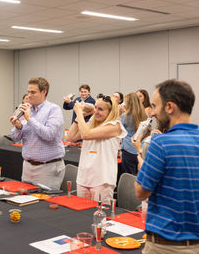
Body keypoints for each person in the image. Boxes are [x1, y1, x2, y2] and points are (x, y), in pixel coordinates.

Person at [134, 79, 199, 253]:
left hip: (165, 246)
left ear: (169, 107)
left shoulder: (161, 143)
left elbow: (141, 192)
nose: (153, 113)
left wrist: (142, 159)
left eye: (155, 106)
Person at [66, 95, 127, 203]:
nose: (96, 112)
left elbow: (86, 135)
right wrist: (78, 118)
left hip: (102, 180)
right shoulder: (92, 123)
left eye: (101, 109)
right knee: (82, 214)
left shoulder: (115, 125)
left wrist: (79, 113)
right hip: (84, 177)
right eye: (96, 108)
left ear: (110, 112)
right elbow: (71, 137)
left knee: (99, 214)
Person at [10, 77, 65, 190]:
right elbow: (15, 138)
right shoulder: (26, 110)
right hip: (27, 166)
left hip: (48, 167)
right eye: (28, 91)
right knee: (26, 202)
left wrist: (30, 119)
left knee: (44, 204)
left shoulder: (53, 110)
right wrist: (18, 127)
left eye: (33, 92)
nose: (29, 95)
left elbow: (49, 135)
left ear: (44, 92)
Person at [119, 93, 147, 177]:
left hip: (128, 149)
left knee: (128, 176)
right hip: (140, 149)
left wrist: (119, 113)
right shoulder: (145, 115)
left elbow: (119, 130)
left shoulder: (125, 116)